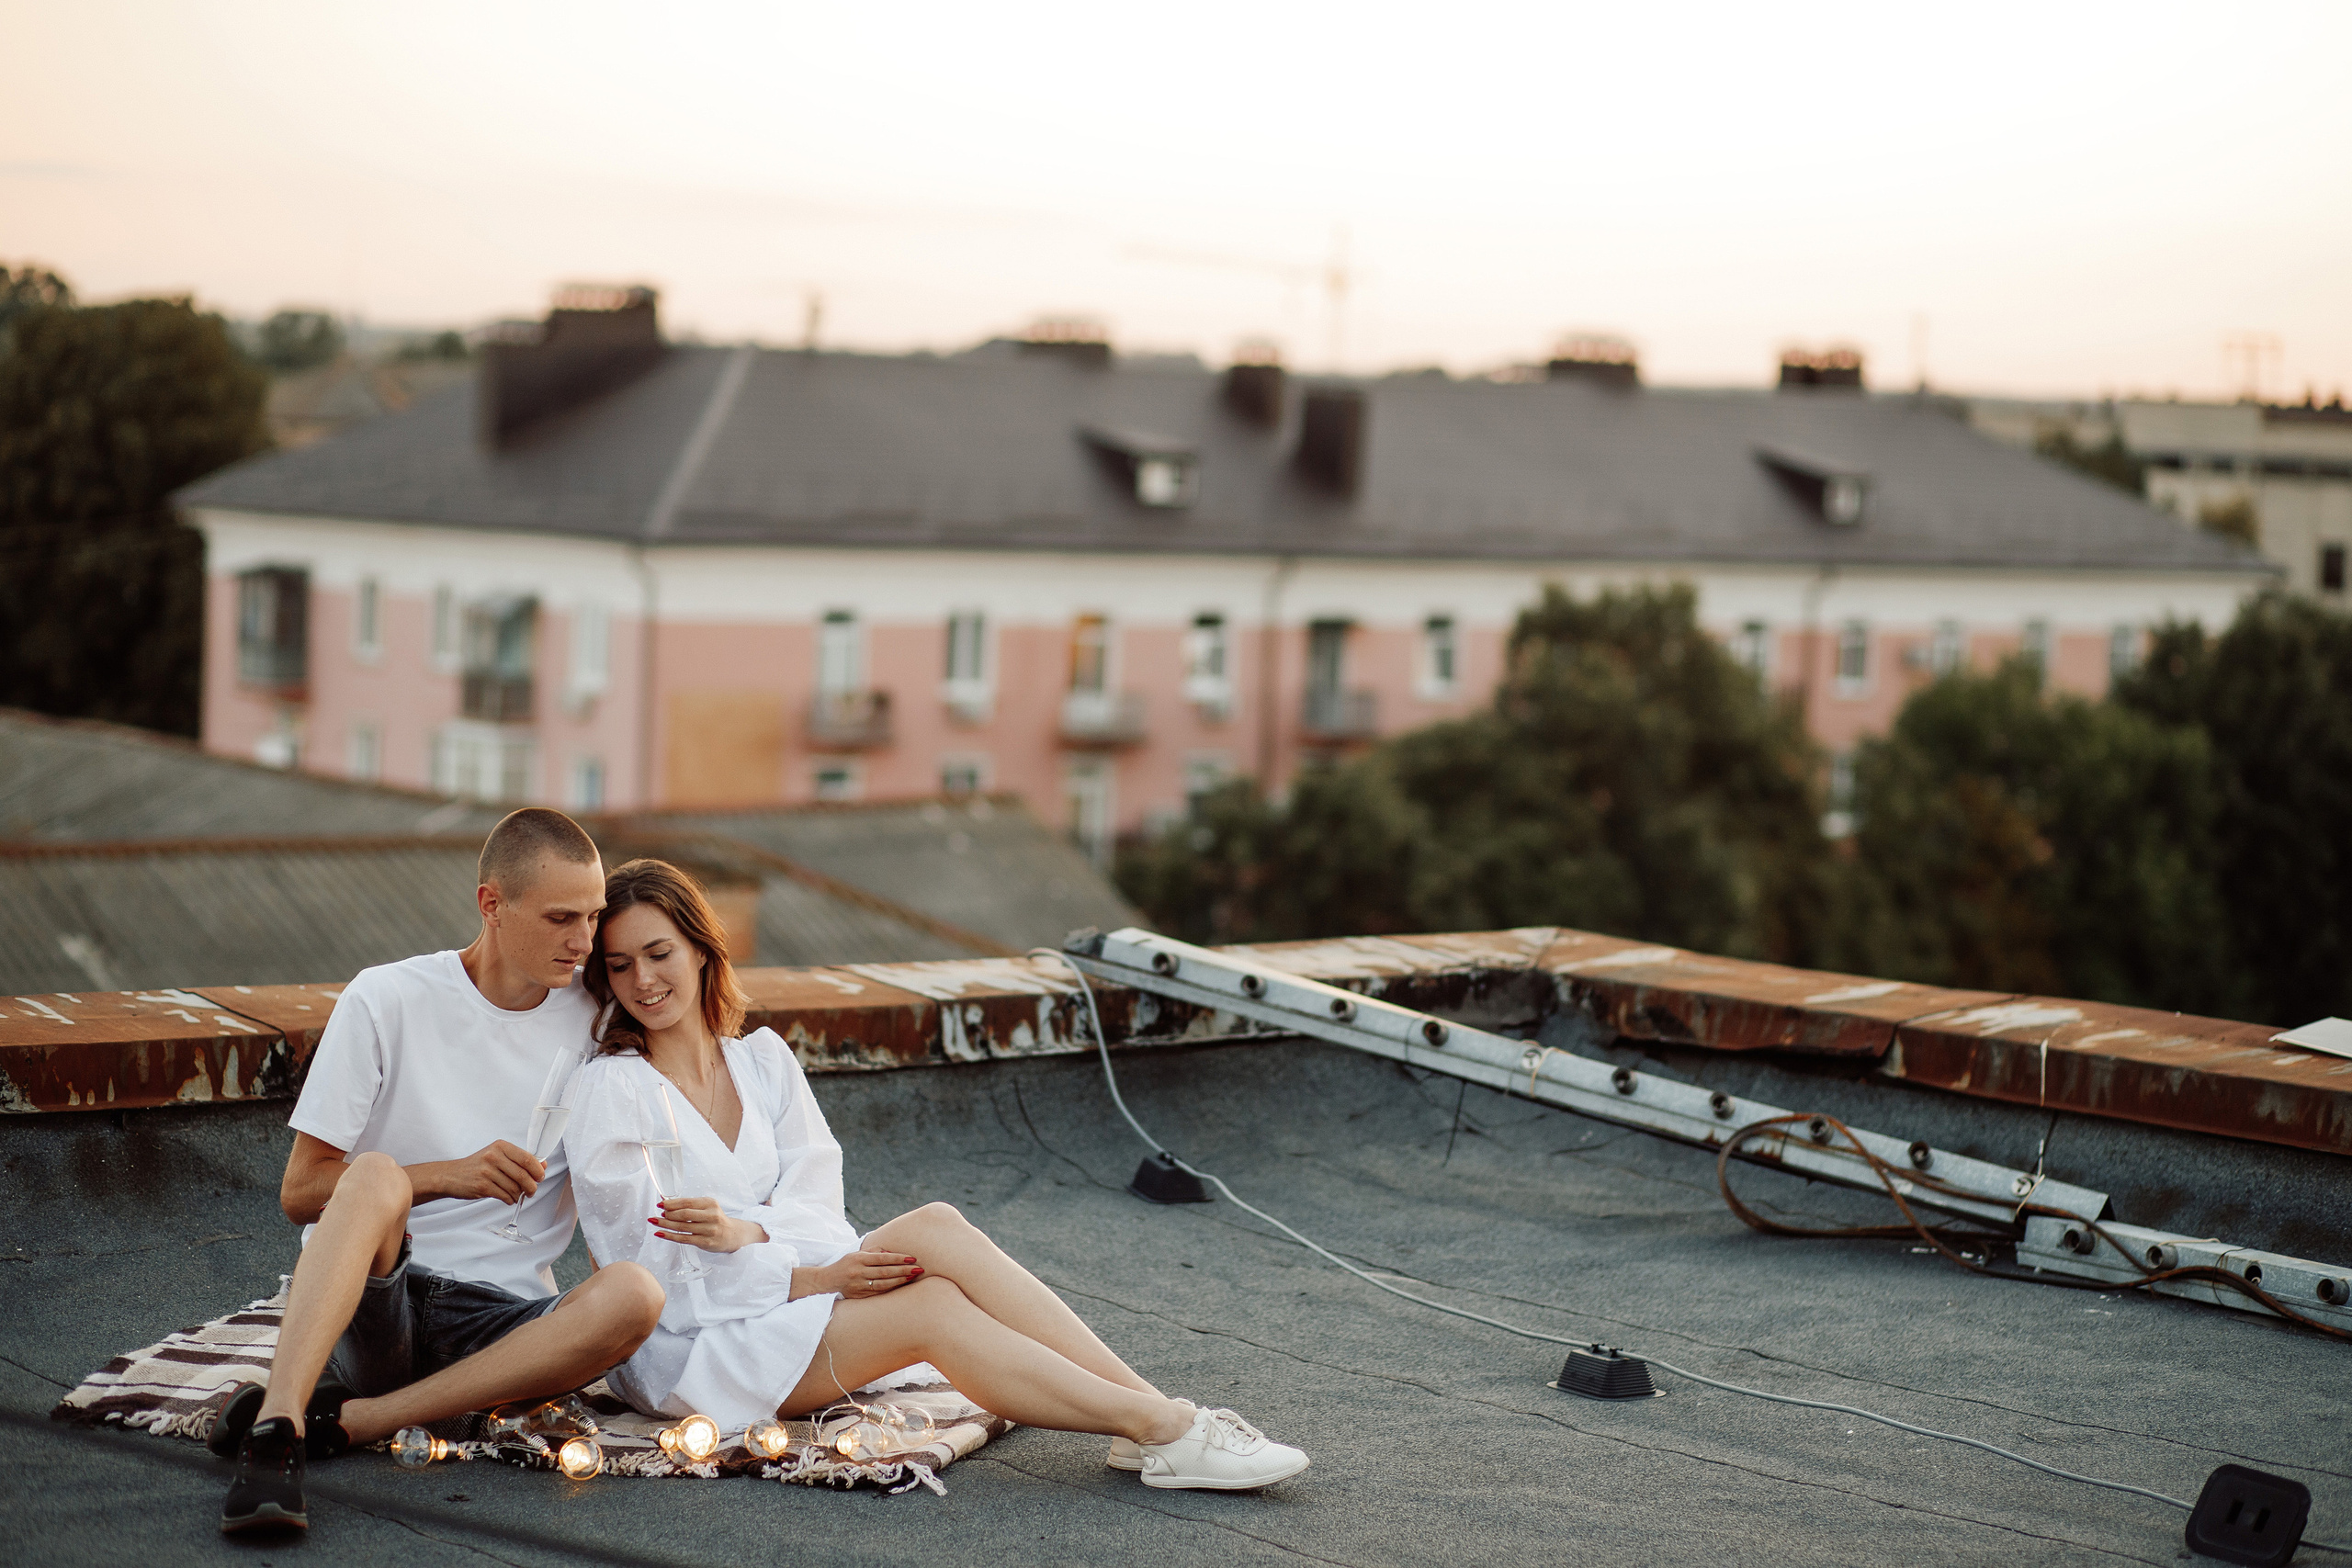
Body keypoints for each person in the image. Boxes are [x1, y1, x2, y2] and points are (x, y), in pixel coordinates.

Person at [567, 858, 1310, 1491]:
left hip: (788, 1292)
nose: (643, 979)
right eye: (620, 964)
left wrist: (749, 1230)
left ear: (700, 948)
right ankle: (1163, 1425)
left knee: (936, 1225)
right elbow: (656, 1279)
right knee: (933, 1309)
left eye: (658, 952)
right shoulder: (614, 1089)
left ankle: (1151, 1416)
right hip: (698, 1353)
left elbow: (823, 1209)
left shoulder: (761, 1061)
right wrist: (811, 1278)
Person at [215, 808, 665, 1536]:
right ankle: (277, 1433)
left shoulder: (600, 1017)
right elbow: (300, 1191)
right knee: (374, 1175)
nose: (583, 941)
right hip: (382, 1300)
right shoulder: (386, 998)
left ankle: (349, 1424)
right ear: (491, 904)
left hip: (502, 1329)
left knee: (637, 1296)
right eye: (559, 917)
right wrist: (445, 1175)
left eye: (591, 916)